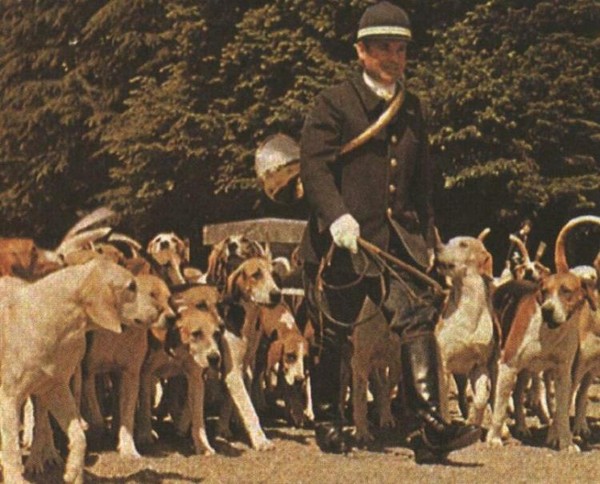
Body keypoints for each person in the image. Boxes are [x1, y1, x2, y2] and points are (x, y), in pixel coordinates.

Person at [298, 1, 481, 461]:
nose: (393, 58)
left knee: (416, 320)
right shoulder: (333, 102)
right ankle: (328, 422)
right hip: (342, 241)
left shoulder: (412, 106)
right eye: (382, 48)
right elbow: (314, 168)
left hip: (397, 241)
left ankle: (428, 429)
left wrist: (427, 238)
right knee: (333, 333)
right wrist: (336, 215)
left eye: (400, 49)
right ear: (361, 52)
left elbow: (421, 181)